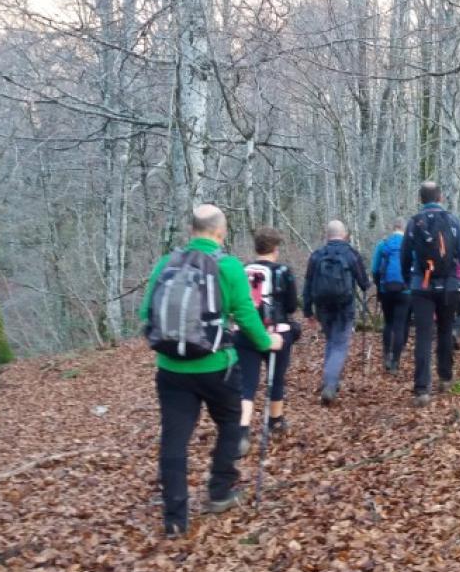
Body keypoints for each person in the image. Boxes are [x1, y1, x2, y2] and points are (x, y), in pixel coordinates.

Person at [141, 204, 284, 539]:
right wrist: (267, 342)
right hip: (216, 367)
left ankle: (175, 518)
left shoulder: (166, 263)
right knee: (231, 424)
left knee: (174, 439)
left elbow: (146, 310)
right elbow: (246, 314)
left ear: (192, 230)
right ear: (220, 233)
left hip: (171, 369)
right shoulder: (228, 266)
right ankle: (219, 491)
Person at [400, 182, 460, 407]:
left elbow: (405, 255)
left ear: (421, 199)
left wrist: (408, 279)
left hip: (421, 287)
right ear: (440, 197)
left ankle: (422, 389)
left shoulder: (414, 223)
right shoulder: (452, 221)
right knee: (445, 330)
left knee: (423, 336)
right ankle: (445, 377)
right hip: (450, 286)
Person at [236, 227, 299, 458]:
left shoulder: (242, 270)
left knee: (247, 382)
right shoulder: (283, 271)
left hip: (245, 333)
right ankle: (275, 421)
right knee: (276, 379)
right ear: (275, 249)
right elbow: (292, 305)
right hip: (276, 333)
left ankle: (242, 431)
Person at [304, 220, 370, 405]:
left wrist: (308, 310)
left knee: (331, 341)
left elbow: (308, 284)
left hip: (322, 307)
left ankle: (329, 380)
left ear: (327, 235)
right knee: (339, 344)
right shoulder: (351, 254)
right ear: (345, 235)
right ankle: (330, 385)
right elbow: (364, 284)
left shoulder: (316, 255)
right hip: (344, 306)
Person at [371, 219, 412, 374]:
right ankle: (395, 362)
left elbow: (375, 269)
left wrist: (379, 286)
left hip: (386, 289)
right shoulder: (410, 244)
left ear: (393, 228)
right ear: (404, 229)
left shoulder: (383, 245)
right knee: (400, 325)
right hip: (405, 290)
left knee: (388, 323)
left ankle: (386, 356)